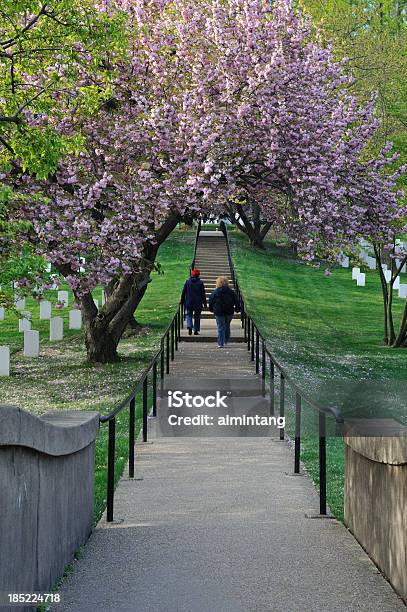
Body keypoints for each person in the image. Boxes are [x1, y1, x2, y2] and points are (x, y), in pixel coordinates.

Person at [208, 276, 240, 348]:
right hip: (229, 312)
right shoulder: (231, 291)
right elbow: (236, 301)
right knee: (227, 325)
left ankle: (221, 343)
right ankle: (226, 340)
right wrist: (238, 308)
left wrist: (211, 309)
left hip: (219, 312)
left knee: (221, 326)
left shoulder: (215, 292)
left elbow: (211, 301)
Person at [181, 268, 207, 336]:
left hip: (189, 302)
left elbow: (184, 292)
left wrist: (182, 301)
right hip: (198, 303)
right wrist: (205, 303)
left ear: (192, 274)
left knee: (189, 315)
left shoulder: (188, 282)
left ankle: (189, 325)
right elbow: (203, 294)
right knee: (197, 316)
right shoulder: (200, 283)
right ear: (198, 275)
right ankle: (196, 330)